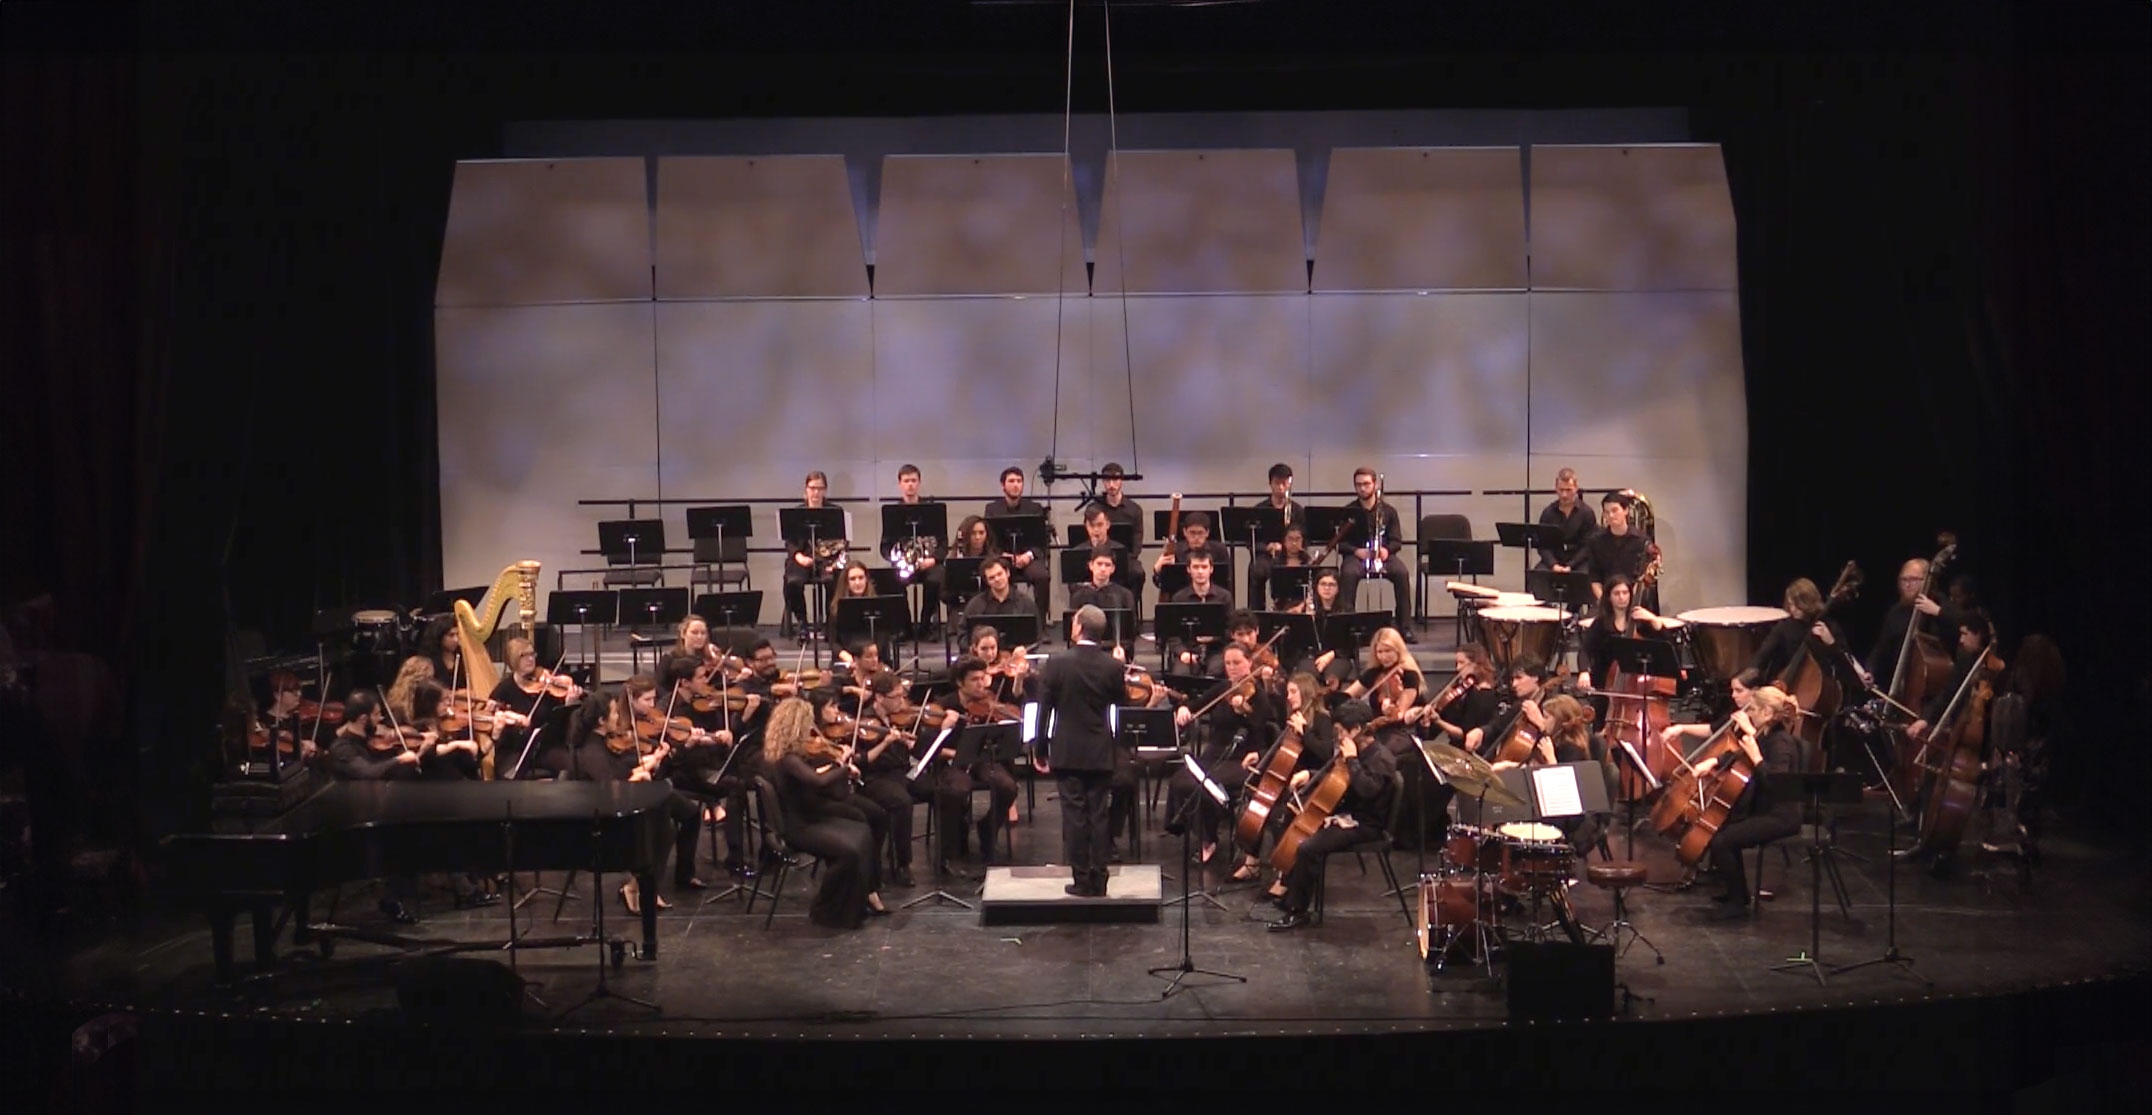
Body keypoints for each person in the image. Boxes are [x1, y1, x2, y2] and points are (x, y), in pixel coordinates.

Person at [1266, 698, 1398, 931]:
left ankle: (1299, 911)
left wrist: (1352, 760)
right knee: (1292, 818)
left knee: (1309, 847)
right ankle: (1291, 892)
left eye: (1340, 731)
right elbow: (1338, 776)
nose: (1337, 736)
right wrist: (1310, 773)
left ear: (1356, 730)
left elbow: (1367, 790)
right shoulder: (1353, 750)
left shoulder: (1382, 758)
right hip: (1347, 813)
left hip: (1365, 824)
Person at [761, 697, 885, 928]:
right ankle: (825, 908)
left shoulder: (790, 755)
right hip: (799, 826)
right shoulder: (788, 759)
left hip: (808, 817)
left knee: (862, 831)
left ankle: (854, 903)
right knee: (850, 852)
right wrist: (843, 767)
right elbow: (817, 782)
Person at [1694, 684, 1804, 919]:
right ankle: (1738, 892)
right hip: (1764, 809)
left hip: (1782, 816)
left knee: (1722, 840)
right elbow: (1737, 753)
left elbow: (1778, 786)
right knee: (1720, 829)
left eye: (1753, 709)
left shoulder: (1781, 742)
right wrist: (1712, 763)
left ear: (1766, 713)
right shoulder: (1765, 736)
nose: (1749, 713)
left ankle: (1737, 902)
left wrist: (1756, 758)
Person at [1037, 605, 1125, 896]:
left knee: (1075, 815)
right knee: (1098, 813)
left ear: (1077, 629)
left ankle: (1081, 878)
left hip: (1067, 749)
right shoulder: (1112, 666)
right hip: (1100, 749)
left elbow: (1045, 711)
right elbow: (1119, 703)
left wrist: (1040, 748)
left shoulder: (1057, 663)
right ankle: (1100, 878)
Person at [1165, 643, 1279, 867]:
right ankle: (1202, 832)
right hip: (1216, 752)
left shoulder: (1259, 694)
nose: (1232, 668)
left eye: (1237, 663)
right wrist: (1184, 708)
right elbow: (1196, 703)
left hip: (1244, 756)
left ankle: (1208, 839)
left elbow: (1263, 726)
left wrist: (1244, 711)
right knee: (1181, 781)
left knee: (1207, 785)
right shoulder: (1223, 688)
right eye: (1228, 663)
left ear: (1249, 663)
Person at [322, 691, 426, 922]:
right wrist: (399, 759)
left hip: (377, 808)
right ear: (362, 719)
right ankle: (392, 896)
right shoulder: (343, 749)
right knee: (404, 837)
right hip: (354, 819)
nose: (381, 721)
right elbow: (367, 773)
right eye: (377, 715)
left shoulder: (366, 741)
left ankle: (402, 891)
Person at [1335, 468, 1414, 641]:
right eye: (1358, 485)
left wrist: (1386, 551)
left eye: (1366, 484)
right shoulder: (1348, 511)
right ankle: (1347, 627)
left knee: (1401, 573)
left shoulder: (1389, 511)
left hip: (1383, 555)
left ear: (1375, 484)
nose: (1362, 488)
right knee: (1348, 574)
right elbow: (1339, 543)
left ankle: (1405, 626)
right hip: (1357, 555)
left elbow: (1396, 541)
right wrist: (1357, 551)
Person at [1865, 557, 1965, 688]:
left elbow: (1966, 622)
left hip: (1937, 690)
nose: (1907, 585)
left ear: (1927, 581)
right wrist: (1870, 670)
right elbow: (1882, 648)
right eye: (1903, 580)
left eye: (1913, 580)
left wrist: (1938, 612)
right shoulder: (1896, 611)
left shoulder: (1940, 603)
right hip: (1901, 686)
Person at [983, 466, 1053, 632]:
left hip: (1028, 557)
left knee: (1042, 576)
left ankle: (1039, 626)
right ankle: (997, 625)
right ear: (1003, 485)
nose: (1016, 485)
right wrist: (1005, 556)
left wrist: (1028, 556)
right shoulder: (992, 509)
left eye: (1019, 481)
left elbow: (1041, 540)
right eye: (1011, 481)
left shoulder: (1034, 508)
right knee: (993, 575)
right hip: (1003, 558)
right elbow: (991, 541)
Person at [880, 463, 946, 634]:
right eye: (906, 481)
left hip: (928, 563)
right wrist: (900, 560)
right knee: (893, 581)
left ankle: (925, 624)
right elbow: (885, 547)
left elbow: (943, 542)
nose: (910, 484)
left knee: (937, 579)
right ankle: (905, 626)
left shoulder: (932, 510)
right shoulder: (893, 513)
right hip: (904, 563)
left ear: (919, 483)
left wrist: (933, 559)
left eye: (913, 480)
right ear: (900, 484)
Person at [1578, 575, 1673, 689]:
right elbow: (1585, 650)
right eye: (1616, 593)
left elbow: (1668, 643)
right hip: (1604, 685)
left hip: (1636, 686)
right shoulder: (1601, 623)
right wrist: (1584, 672)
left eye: (1625, 592)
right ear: (1609, 597)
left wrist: (1653, 619)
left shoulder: (1641, 622)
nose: (1621, 597)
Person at [782, 471, 847, 637]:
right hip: (802, 558)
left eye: (820, 488)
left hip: (828, 560)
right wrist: (799, 557)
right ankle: (803, 623)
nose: (816, 492)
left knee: (833, 581)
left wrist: (832, 561)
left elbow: (843, 541)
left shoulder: (835, 511)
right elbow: (790, 542)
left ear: (825, 490)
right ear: (806, 490)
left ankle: (830, 624)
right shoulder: (796, 513)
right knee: (793, 582)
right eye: (812, 488)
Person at [1244, 463, 1304, 611]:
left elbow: (1305, 539)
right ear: (1270, 483)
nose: (1281, 488)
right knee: (1256, 570)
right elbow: (1250, 541)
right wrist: (1266, 547)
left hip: (1291, 555)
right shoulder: (1260, 509)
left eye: (1285, 484)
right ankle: (1257, 612)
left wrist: (1287, 547)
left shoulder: (1297, 510)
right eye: (1277, 483)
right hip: (1267, 555)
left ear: (1290, 484)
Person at [1575, 491, 1651, 602]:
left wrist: (1626, 601)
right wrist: (1605, 602)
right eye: (1606, 512)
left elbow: (1640, 579)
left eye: (1615, 510)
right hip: (1605, 599)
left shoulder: (1641, 541)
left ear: (1626, 511)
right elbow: (1595, 578)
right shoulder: (1595, 541)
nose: (1610, 515)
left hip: (1632, 601)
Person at [1152, 509, 1235, 597]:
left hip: (1213, 597)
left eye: (1200, 533)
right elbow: (1161, 584)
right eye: (1192, 533)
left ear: (1207, 533)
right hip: (1182, 600)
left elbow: (1227, 581)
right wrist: (1157, 570)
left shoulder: (1219, 550)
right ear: (1184, 532)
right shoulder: (1176, 550)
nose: (1196, 537)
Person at [1067, 543, 1136, 642]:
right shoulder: (1078, 596)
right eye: (1099, 564)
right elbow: (1073, 632)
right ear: (1091, 565)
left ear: (1113, 569)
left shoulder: (1125, 595)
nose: (1103, 569)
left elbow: (1131, 630)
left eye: (1107, 565)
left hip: (1116, 647)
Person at [1535, 467, 1595, 570]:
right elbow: (1543, 546)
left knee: (1586, 576)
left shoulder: (1586, 513)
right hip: (1554, 561)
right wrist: (1553, 564)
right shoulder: (1548, 513)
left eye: (1568, 490)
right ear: (1556, 489)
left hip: (1578, 562)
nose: (1564, 495)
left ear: (1576, 488)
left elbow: (1588, 546)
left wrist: (1571, 565)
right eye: (1561, 490)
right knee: (1538, 575)